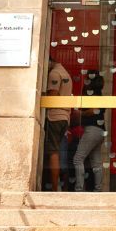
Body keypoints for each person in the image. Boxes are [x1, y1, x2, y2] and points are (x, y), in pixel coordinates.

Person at [72, 70, 107, 192]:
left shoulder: (92, 93)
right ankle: (98, 190)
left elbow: (93, 110)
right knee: (96, 162)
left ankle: (79, 189)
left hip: (92, 129)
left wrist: (80, 113)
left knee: (78, 159)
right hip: (100, 131)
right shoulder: (100, 94)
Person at [43, 62, 73, 191]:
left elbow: (52, 96)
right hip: (65, 116)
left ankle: (54, 188)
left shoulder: (55, 73)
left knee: (53, 152)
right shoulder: (66, 74)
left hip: (54, 116)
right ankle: (61, 186)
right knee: (59, 152)